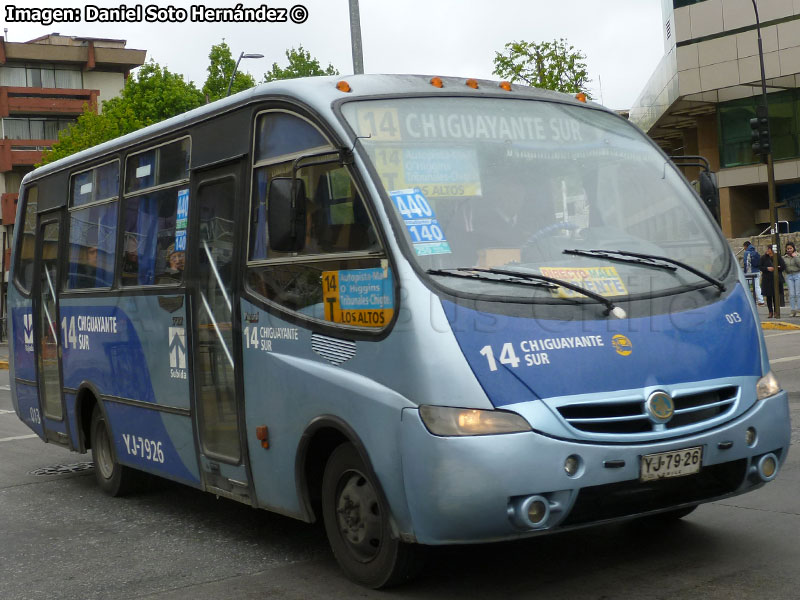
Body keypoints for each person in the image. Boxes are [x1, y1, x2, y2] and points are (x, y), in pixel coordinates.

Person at [760, 246, 785, 318]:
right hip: (767, 279)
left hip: (776, 279)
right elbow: (760, 267)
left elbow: (783, 266)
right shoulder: (763, 258)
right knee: (769, 297)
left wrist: (777, 267)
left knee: (775, 296)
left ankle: (776, 312)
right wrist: (767, 268)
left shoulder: (777, 257)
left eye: (769, 249)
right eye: (767, 249)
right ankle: (770, 311)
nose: (768, 250)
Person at [783, 241, 800, 317]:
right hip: (789, 275)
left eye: (790, 248)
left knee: (798, 293)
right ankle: (793, 310)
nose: (789, 250)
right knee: (792, 294)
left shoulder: (797, 255)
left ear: (793, 248)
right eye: (788, 249)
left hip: (797, 274)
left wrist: (795, 257)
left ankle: (799, 309)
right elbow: (783, 266)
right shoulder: (784, 257)